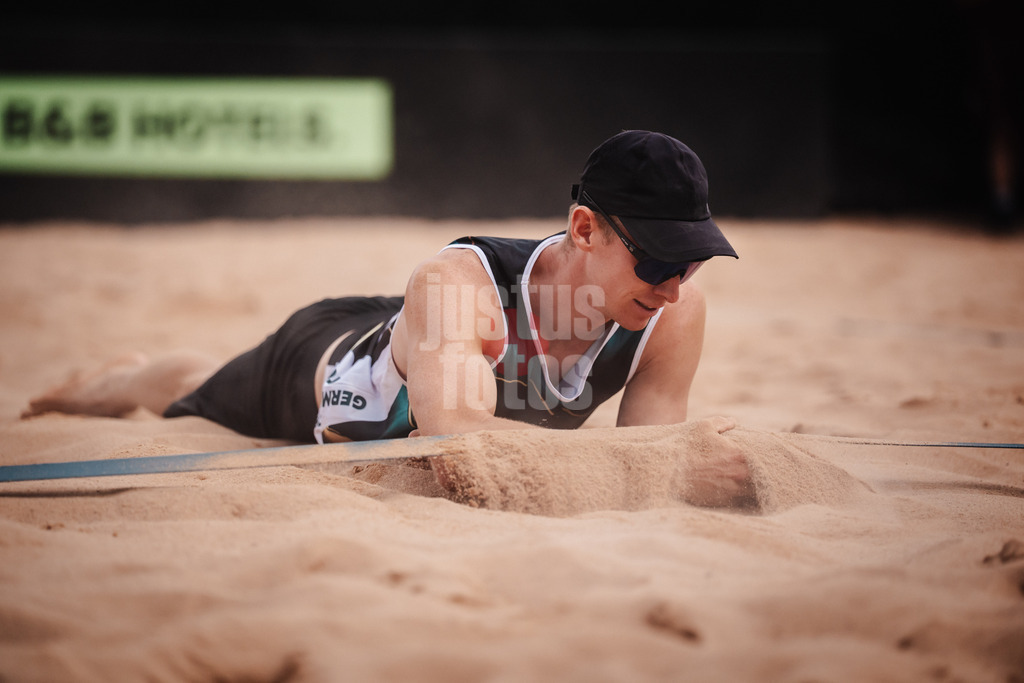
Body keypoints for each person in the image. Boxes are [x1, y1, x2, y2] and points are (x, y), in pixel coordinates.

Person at [23, 130, 739, 449]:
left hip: (417, 337)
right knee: (193, 389)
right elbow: (457, 436)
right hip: (310, 368)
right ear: (585, 229)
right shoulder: (460, 282)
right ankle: (106, 382)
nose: (674, 288)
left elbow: (651, 457)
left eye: (691, 264)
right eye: (656, 262)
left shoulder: (674, 313)